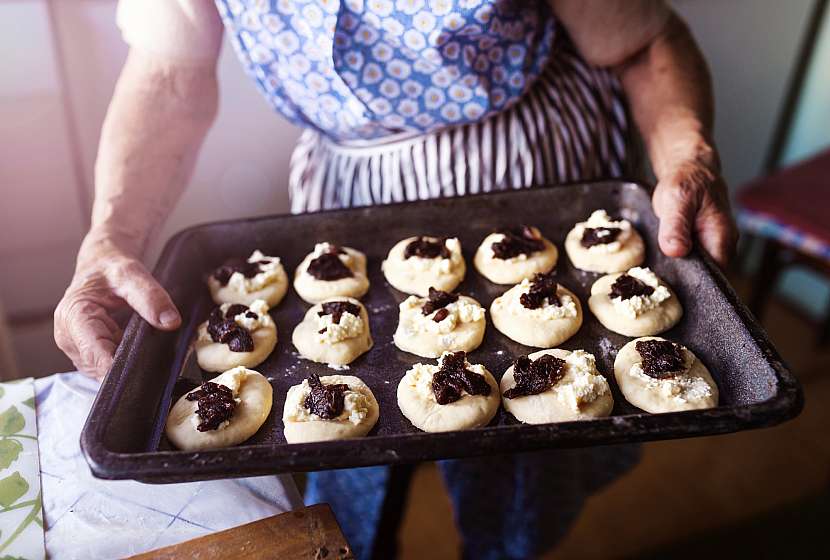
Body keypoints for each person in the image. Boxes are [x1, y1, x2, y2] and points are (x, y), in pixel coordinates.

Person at [54, 1, 737, 558]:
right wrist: (108, 241)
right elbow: (170, 74)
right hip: (353, 198)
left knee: (521, 466)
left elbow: (643, 42)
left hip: (534, 179)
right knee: (349, 477)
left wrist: (688, 156)